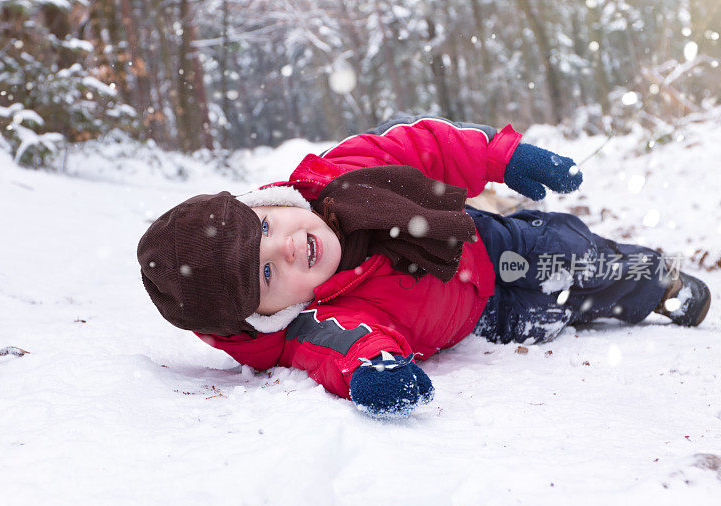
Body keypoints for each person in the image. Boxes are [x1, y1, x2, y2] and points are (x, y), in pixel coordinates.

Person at [137, 116, 711, 419]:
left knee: (570, 250)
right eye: (265, 275)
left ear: (266, 204)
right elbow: (345, 347)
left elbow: (425, 146)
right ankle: (612, 305)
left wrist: (500, 156)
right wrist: (373, 372)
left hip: (482, 239)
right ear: (266, 316)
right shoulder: (313, 322)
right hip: (480, 316)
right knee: (550, 314)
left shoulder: (340, 175)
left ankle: (655, 279)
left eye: (264, 229)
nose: (285, 249)